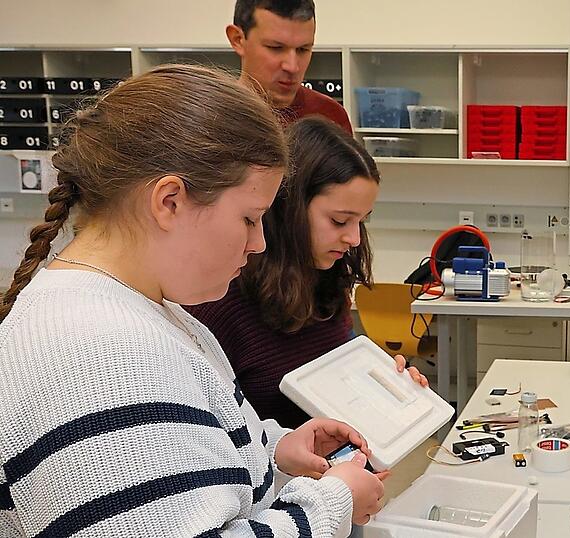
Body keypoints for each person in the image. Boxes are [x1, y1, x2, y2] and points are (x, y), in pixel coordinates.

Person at [0, 65, 383, 537]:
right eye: (249, 218)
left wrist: (274, 450)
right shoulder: (100, 355)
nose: (259, 242)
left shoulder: (151, 314)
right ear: (169, 202)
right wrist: (332, 501)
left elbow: (183, 463)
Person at [187, 117, 428, 430]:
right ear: (289, 208)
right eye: (340, 221)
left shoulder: (326, 281)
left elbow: (335, 385)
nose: (354, 239)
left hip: (333, 471)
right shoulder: (221, 302)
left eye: (362, 221)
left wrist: (384, 384)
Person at [227, 0, 352, 130]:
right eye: (275, 48)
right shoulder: (211, 119)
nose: (292, 67)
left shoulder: (330, 116)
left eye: (303, 49)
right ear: (238, 40)